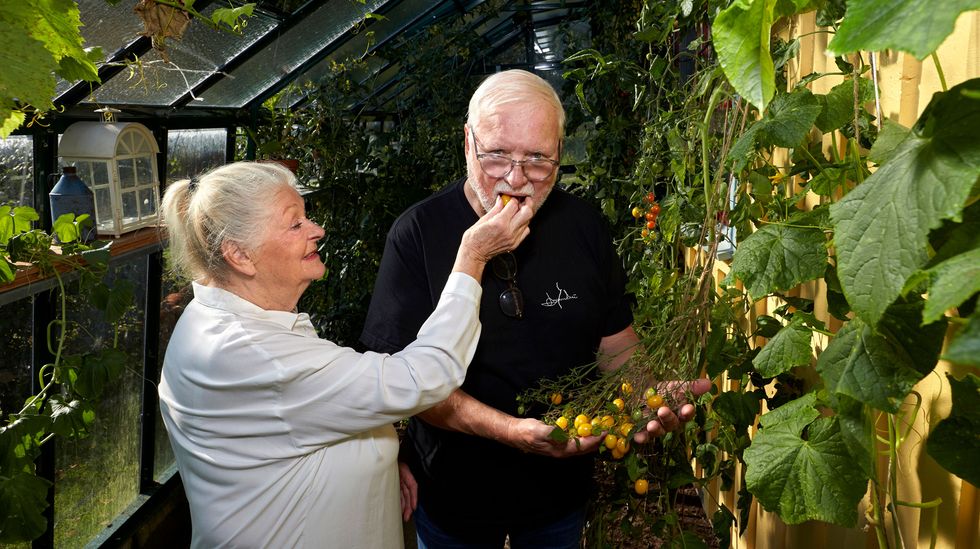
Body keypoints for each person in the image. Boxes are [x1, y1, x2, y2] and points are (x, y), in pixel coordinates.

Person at [360, 69, 711, 548]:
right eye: (497, 155)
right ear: (467, 142)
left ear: (560, 155)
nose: (515, 178)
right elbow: (406, 384)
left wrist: (646, 393)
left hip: (558, 496)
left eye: (538, 160)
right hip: (456, 494)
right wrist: (511, 432)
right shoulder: (418, 233)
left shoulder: (584, 228)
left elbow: (616, 345)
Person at [157, 160, 533, 548]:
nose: (317, 230)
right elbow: (425, 376)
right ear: (240, 255)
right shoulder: (251, 354)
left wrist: (381, 463)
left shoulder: (222, 320)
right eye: (295, 224)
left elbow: (299, 424)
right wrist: (472, 256)